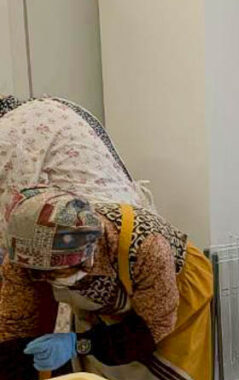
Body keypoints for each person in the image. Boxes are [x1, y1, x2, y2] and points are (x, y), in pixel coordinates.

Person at [0, 187, 212, 380]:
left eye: (60, 271)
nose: (52, 280)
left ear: (88, 255)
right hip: (107, 302)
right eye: (44, 274)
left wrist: (80, 344)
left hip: (172, 297)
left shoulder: (148, 248)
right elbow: (15, 329)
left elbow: (152, 329)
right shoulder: (24, 258)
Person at [0, 95, 153, 261]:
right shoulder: (51, 106)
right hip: (131, 224)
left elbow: (12, 218)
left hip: (95, 243)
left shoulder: (9, 132)